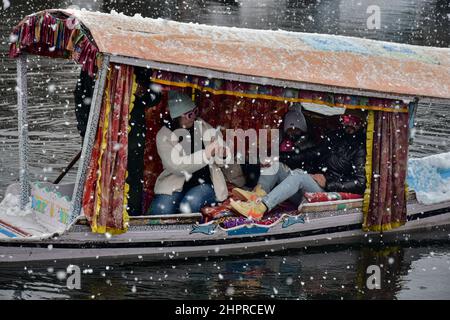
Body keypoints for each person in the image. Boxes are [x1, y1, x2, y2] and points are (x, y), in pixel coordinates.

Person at [230, 113, 366, 220]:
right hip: (311, 186)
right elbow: (308, 154)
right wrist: (276, 157)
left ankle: (259, 208)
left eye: (354, 122)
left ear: (361, 124)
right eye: (346, 120)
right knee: (276, 166)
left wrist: (329, 182)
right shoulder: (336, 137)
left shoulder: (360, 148)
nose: (349, 124)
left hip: (328, 192)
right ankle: (256, 196)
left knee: (299, 175)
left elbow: (359, 183)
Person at [148, 91, 229, 215]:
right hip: (174, 183)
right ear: (177, 116)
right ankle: (162, 234)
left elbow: (222, 162)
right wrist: (206, 154)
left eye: (195, 112)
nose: (194, 117)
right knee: (160, 210)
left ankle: (185, 234)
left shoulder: (204, 127)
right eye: (190, 115)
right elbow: (176, 166)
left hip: (205, 183)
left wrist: (222, 154)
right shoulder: (164, 135)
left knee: (189, 205)